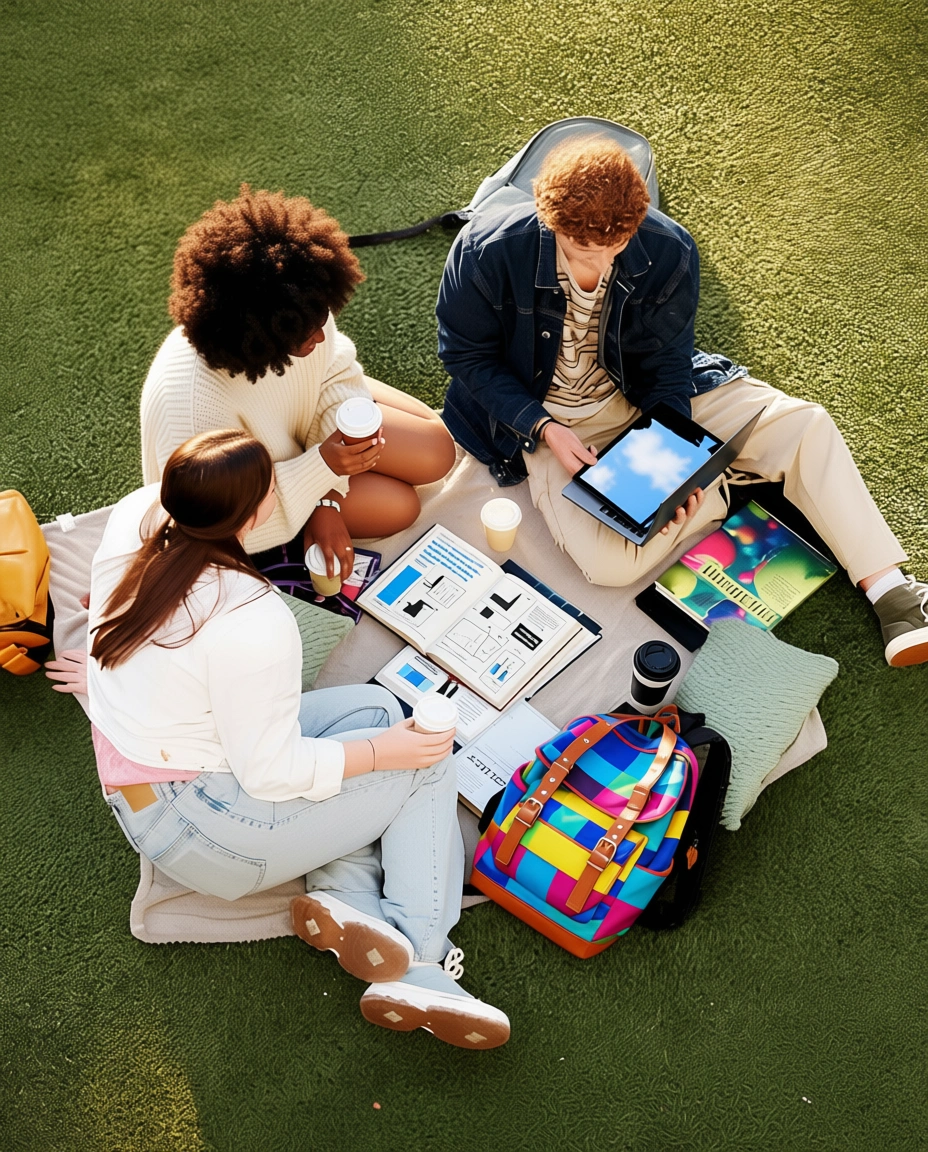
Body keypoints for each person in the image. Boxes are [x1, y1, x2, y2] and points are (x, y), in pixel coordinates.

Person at [85, 428, 509, 1049]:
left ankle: (351, 903)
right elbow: (271, 773)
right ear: (257, 512)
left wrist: (372, 744)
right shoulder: (250, 618)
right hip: (212, 834)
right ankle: (422, 962)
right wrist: (382, 755)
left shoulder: (138, 516)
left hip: (154, 783)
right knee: (423, 760)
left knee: (373, 705)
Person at [436, 137, 928, 667]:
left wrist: (674, 450)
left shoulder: (669, 248)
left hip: (643, 401)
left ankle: (894, 595)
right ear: (548, 219)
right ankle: (724, 481)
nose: (600, 268)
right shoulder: (485, 249)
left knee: (804, 424)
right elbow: (466, 356)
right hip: (552, 420)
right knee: (610, 566)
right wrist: (543, 427)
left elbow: (669, 364)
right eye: (583, 252)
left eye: (615, 249)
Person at [140, 184, 456, 583]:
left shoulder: (296, 305)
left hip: (304, 439)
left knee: (437, 453)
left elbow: (335, 369)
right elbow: (220, 524)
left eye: (321, 316)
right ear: (258, 337)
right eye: (305, 332)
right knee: (400, 507)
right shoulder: (194, 407)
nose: (322, 335)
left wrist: (328, 497)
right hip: (259, 488)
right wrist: (321, 470)